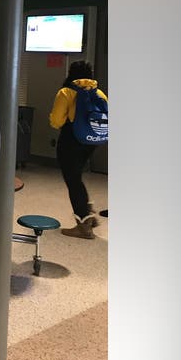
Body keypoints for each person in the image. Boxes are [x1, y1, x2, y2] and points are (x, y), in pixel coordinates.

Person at [48, 60, 108, 239]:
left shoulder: (66, 92)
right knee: (77, 177)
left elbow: (57, 121)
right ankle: (89, 214)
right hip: (92, 141)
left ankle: (83, 225)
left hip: (71, 141)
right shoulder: (99, 93)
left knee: (73, 180)